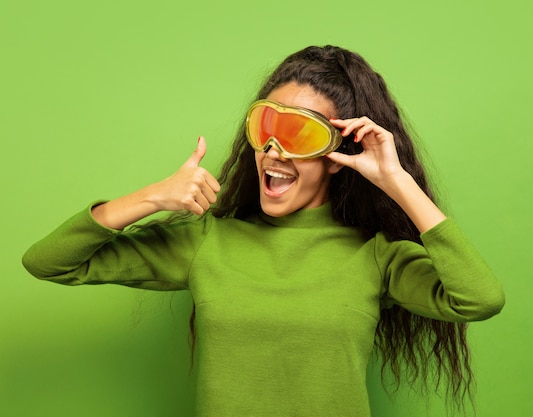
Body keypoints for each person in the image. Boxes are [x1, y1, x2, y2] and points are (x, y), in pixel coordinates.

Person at [22, 45, 505, 416]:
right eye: (266, 126)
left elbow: (478, 298)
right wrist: (151, 198)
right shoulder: (208, 242)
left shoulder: (376, 256)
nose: (274, 149)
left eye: (299, 133)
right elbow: (48, 262)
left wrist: (396, 181)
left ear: (339, 155)